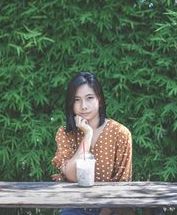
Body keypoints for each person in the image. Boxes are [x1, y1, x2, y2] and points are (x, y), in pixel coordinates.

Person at [51, 71, 133, 215]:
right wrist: (87, 135)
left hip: (111, 207)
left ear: (99, 100)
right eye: (77, 100)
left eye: (89, 98)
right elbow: (72, 175)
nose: (83, 106)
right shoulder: (65, 133)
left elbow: (122, 183)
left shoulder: (120, 133)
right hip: (75, 206)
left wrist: (104, 211)